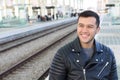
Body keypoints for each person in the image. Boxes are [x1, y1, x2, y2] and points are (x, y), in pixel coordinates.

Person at [49, 10, 118, 80]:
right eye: (81, 25)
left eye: (90, 26)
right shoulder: (63, 54)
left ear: (97, 30)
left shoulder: (108, 54)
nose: (84, 30)